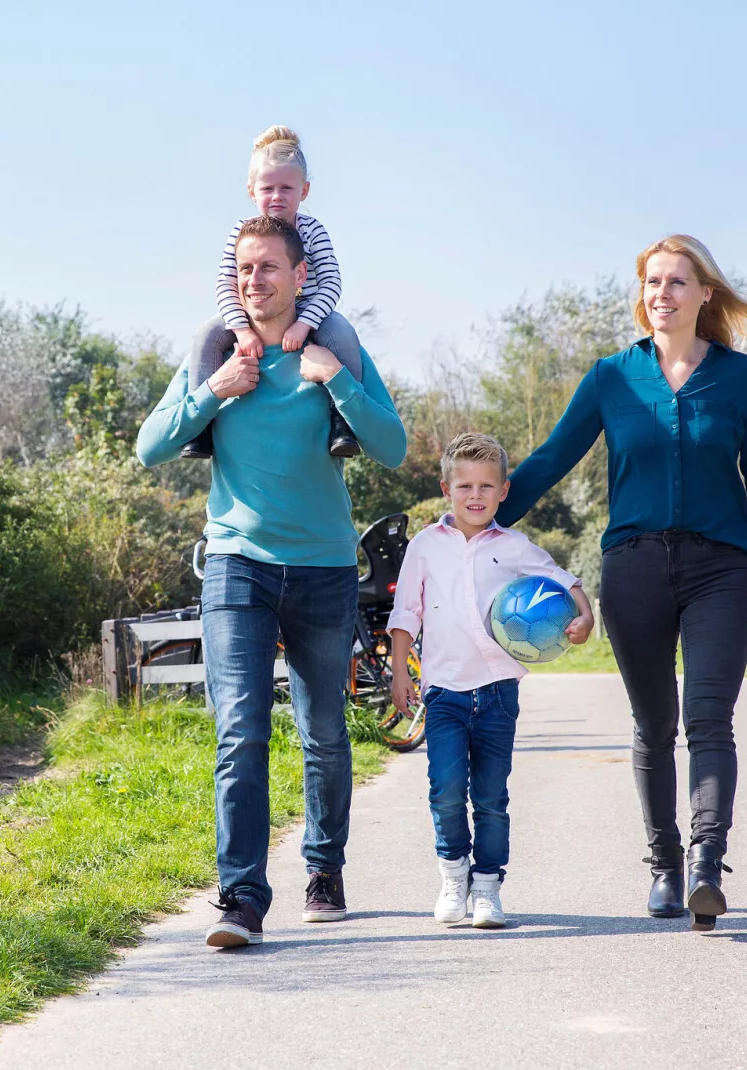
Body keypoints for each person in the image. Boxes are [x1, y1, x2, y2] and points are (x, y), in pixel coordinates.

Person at [494, 235, 747, 931]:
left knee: (709, 718)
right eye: (652, 282)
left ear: (705, 294)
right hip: (635, 567)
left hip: (720, 569)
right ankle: (664, 866)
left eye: (677, 283)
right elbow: (553, 456)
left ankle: (707, 862)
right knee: (653, 724)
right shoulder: (612, 377)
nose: (662, 295)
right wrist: (483, 516)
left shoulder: (738, 378)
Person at [136, 214, 407, 948]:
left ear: (299, 277)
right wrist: (212, 393)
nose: (255, 281)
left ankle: (323, 868)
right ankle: (241, 899)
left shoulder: (329, 351)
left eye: (268, 268)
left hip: (322, 569)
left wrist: (337, 380)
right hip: (236, 566)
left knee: (323, 731)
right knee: (239, 732)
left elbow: (392, 443)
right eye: (244, 270)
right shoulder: (219, 357)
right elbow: (149, 447)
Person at [386, 432, 593, 928]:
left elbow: (566, 579)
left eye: (486, 486)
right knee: (445, 788)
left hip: (498, 692)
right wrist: (399, 671)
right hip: (443, 691)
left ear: (503, 491)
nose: (474, 496)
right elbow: (406, 611)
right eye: (464, 486)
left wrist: (584, 616)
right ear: (446, 489)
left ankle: (487, 889)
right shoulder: (425, 546)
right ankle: (453, 876)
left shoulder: (515, 547)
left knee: (491, 796)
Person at [180, 126, 364, 461]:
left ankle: (344, 422)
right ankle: (200, 426)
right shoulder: (241, 232)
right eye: (268, 188)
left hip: (308, 310)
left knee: (341, 331)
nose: (277, 196)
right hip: (250, 312)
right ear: (252, 191)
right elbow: (225, 282)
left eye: (286, 188)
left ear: (304, 191)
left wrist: (305, 323)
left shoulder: (313, 230)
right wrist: (239, 328)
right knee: (207, 332)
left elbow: (331, 281)